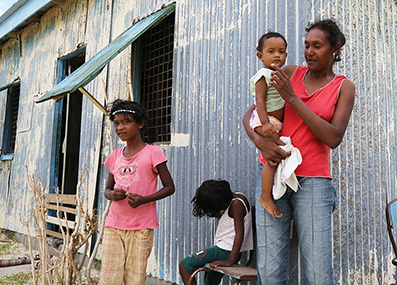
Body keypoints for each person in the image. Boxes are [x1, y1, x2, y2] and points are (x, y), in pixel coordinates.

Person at [243, 19, 355, 285]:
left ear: (335, 49)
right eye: (306, 45)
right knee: (269, 271)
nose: (309, 52)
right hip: (274, 174)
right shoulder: (288, 72)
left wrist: (292, 98)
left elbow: (333, 137)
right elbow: (249, 115)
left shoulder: (343, 87)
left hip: (314, 183)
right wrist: (260, 142)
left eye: (317, 46)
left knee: (317, 272)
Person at [99, 99, 175, 285]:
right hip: (114, 226)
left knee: (135, 279)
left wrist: (143, 200)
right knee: (109, 278)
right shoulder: (114, 156)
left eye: (126, 122)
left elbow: (169, 187)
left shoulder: (153, 153)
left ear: (140, 124)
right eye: (116, 123)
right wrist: (112, 194)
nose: (120, 127)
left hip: (142, 228)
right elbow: (107, 190)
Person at [179, 180, 253, 285]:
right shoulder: (235, 197)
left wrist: (230, 261)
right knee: (210, 281)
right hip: (224, 250)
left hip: (226, 252)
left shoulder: (237, 204)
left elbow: (239, 234)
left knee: (185, 265)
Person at [249, 32, 288, 218]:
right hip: (265, 121)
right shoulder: (263, 75)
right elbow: (260, 100)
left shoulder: (278, 74)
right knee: (271, 159)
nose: (277, 55)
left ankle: (270, 191)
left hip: (272, 121)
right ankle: (265, 196)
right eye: (271, 51)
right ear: (260, 56)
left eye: (281, 51)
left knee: (273, 157)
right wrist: (264, 124)